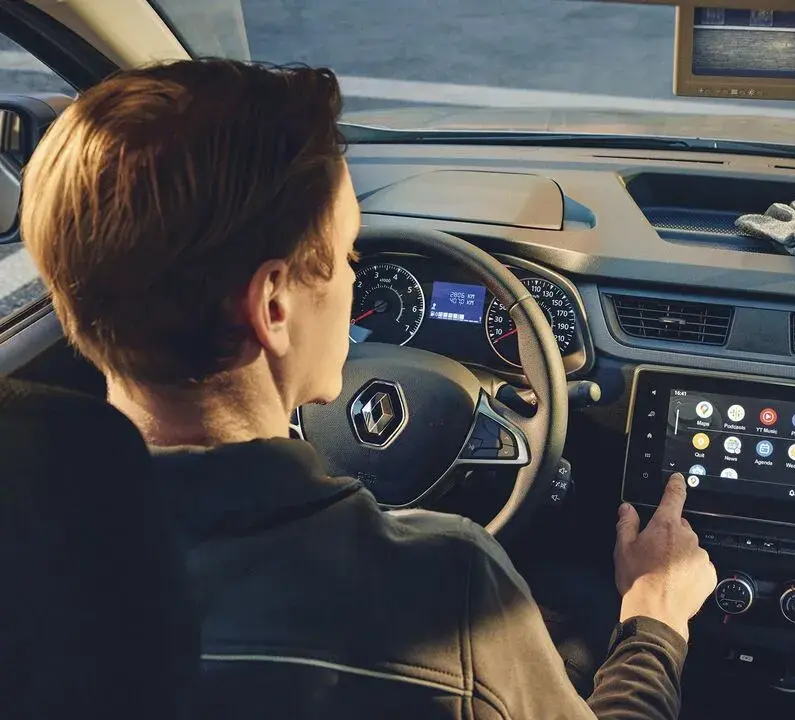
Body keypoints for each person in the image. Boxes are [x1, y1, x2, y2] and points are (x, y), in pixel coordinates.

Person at [20, 58, 717, 719]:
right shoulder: (448, 590)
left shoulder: (24, 545)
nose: (355, 281)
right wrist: (655, 616)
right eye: (348, 255)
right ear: (273, 307)